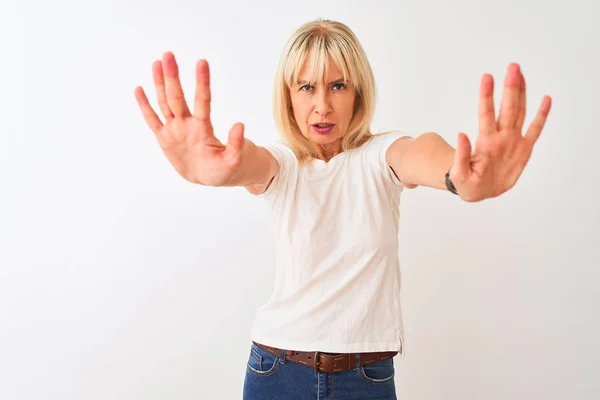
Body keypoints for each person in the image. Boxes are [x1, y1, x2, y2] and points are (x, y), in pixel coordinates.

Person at [134, 19, 552, 400]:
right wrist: (217, 170)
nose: (322, 106)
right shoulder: (283, 164)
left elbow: (418, 152)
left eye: (337, 86)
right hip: (275, 373)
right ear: (289, 97)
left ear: (358, 93)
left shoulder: (380, 156)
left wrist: (459, 178)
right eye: (306, 87)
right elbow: (250, 162)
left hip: (365, 377)